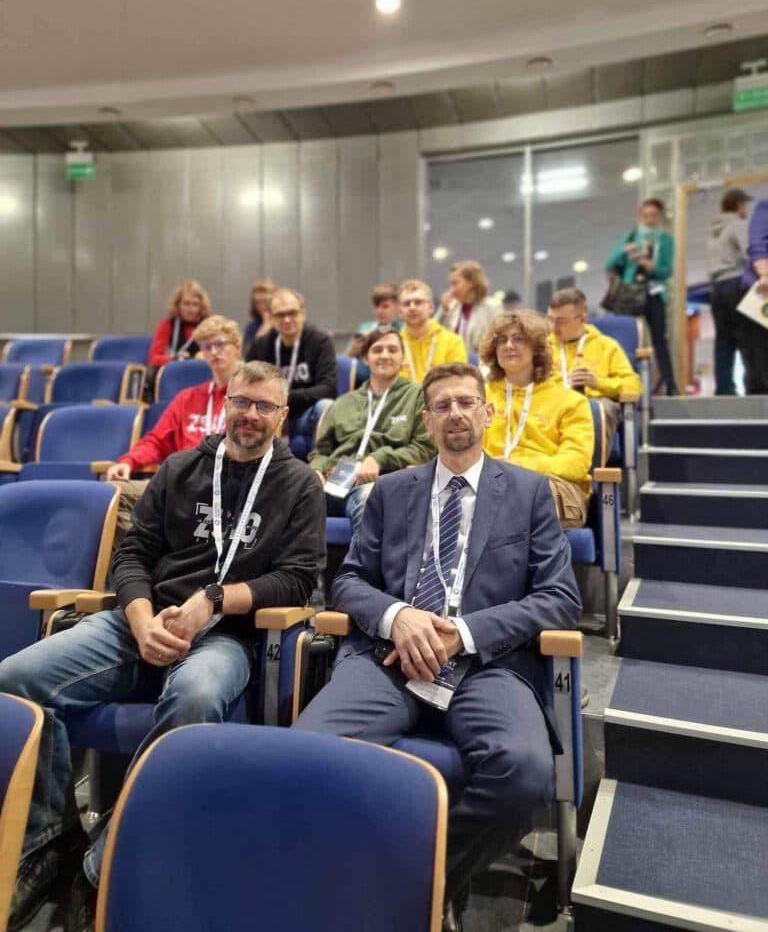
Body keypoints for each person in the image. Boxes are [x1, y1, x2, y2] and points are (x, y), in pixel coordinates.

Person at [0, 361, 326, 932]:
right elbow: (132, 556)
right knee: (15, 680)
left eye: (264, 406)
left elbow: (297, 580)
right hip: (142, 621)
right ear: (226, 403)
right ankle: (50, 838)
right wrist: (141, 617)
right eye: (242, 402)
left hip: (226, 634)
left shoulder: (299, 484)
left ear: (283, 415)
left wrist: (214, 600)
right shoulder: (179, 468)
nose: (250, 415)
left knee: (195, 699)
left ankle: (105, 862)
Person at [294, 361, 581, 929]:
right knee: (304, 756)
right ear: (426, 420)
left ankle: (419, 883)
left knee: (525, 774)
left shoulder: (528, 492)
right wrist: (397, 616)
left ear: (487, 412)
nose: (456, 413)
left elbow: (560, 598)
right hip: (389, 660)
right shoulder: (390, 491)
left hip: (486, 664)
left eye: (466, 402)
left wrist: (466, 633)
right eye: (442, 405)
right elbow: (348, 581)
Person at [106, 315, 243, 543]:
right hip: (178, 483)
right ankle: (150, 556)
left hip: (224, 486)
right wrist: (128, 461)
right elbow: (157, 440)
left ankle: (161, 551)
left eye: (220, 344)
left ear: (237, 347)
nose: (213, 352)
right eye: (207, 346)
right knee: (111, 493)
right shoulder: (188, 397)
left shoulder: (248, 400)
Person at [310, 326, 435, 532]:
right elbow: (321, 451)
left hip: (382, 483)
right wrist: (316, 470)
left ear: (402, 358)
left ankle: (365, 557)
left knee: (370, 498)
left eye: (392, 350)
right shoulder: (343, 402)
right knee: (289, 496)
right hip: (333, 483)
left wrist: (380, 458)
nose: (385, 355)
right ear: (366, 358)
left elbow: (424, 448)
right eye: (377, 350)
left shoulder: (417, 397)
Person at [479, 311, 593, 529]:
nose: (508, 345)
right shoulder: (478, 397)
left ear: (537, 348)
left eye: (518, 339)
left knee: (517, 493)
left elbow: (576, 462)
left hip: (552, 484)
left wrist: (520, 467)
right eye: (501, 340)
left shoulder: (571, 401)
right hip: (487, 483)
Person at [546, 287, 641, 441]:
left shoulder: (607, 346)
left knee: (596, 411)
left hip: (594, 404)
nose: (554, 328)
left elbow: (633, 386)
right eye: (550, 320)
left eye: (561, 321)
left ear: (582, 318)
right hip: (553, 405)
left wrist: (598, 383)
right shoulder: (542, 348)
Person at [246, 287, 337, 446]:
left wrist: (285, 397)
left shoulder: (320, 341)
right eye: (280, 315)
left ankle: (319, 459)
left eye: (292, 313)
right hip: (269, 415)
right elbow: (249, 386)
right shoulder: (260, 346)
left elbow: (328, 388)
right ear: (271, 318)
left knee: (326, 406)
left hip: (306, 415)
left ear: (303, 313)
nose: (287, 319)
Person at [605, 198, 678, 395]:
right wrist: (625, 252)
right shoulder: (630, 237)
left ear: (660, 217)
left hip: (654, 294)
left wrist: (650, 265)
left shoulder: (666, 240)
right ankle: (622, 382)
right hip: (630, 294)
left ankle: (669, 385)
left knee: (659, 340)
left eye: (653, 216)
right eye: (645, 216)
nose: (649, 220)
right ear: (640, 216)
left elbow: (666, 271)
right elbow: (610, 264)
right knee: (626, 338)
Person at [706, 189, 751, 395]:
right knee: (746, 337)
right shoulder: (738, 224)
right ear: (739, 205)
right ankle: (754, 387)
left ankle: (724, 390)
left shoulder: (713, 230)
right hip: (736, 283)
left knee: (723, 341)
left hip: (716, 289)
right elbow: (750, 252)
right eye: (745, 205)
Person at [399, 279, 468, 383]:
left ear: (431, 307)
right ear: (400, 311)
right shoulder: (393, 346)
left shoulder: (453, 342)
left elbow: (458, 383)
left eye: (418, 302)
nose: (412, 307)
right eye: (406, 304)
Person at [435, 260, 502, 353]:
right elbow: (433, 334)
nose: (451, 290)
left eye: (455, 284)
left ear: (471, 283)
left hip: (480, 360)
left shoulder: (492, 307)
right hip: (453, 360)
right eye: (451, 284)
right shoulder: (451, 307)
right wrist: (443, 310)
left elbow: (498, 341)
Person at [148, 279, 210, 369]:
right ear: (177, 305)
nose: (191, 309)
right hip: (177, 370)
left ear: (201, 306)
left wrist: (206, 354)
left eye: (195, 304)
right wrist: (176, 359)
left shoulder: (209, 325)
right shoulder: (167, 325)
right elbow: (154, 359)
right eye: (186, 304)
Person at [740, 198, 768, 394]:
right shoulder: (765, 208)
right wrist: (765, 274)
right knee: (760, 350)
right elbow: (757, 243)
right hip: (762, 290)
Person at [345, 282, 404, 362]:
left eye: (385, 306)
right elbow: (346, 358)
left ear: (397, 307)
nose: (379, 311)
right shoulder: (365, 328)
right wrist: (354, 348)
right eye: (376, 306)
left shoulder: (403, 329)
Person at [243, 278, 276, 356]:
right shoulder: (251, 326)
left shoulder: (284, 322)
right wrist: (264, 327)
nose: (262, 307)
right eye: (258, 303)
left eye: (265, 302)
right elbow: (247, 354)